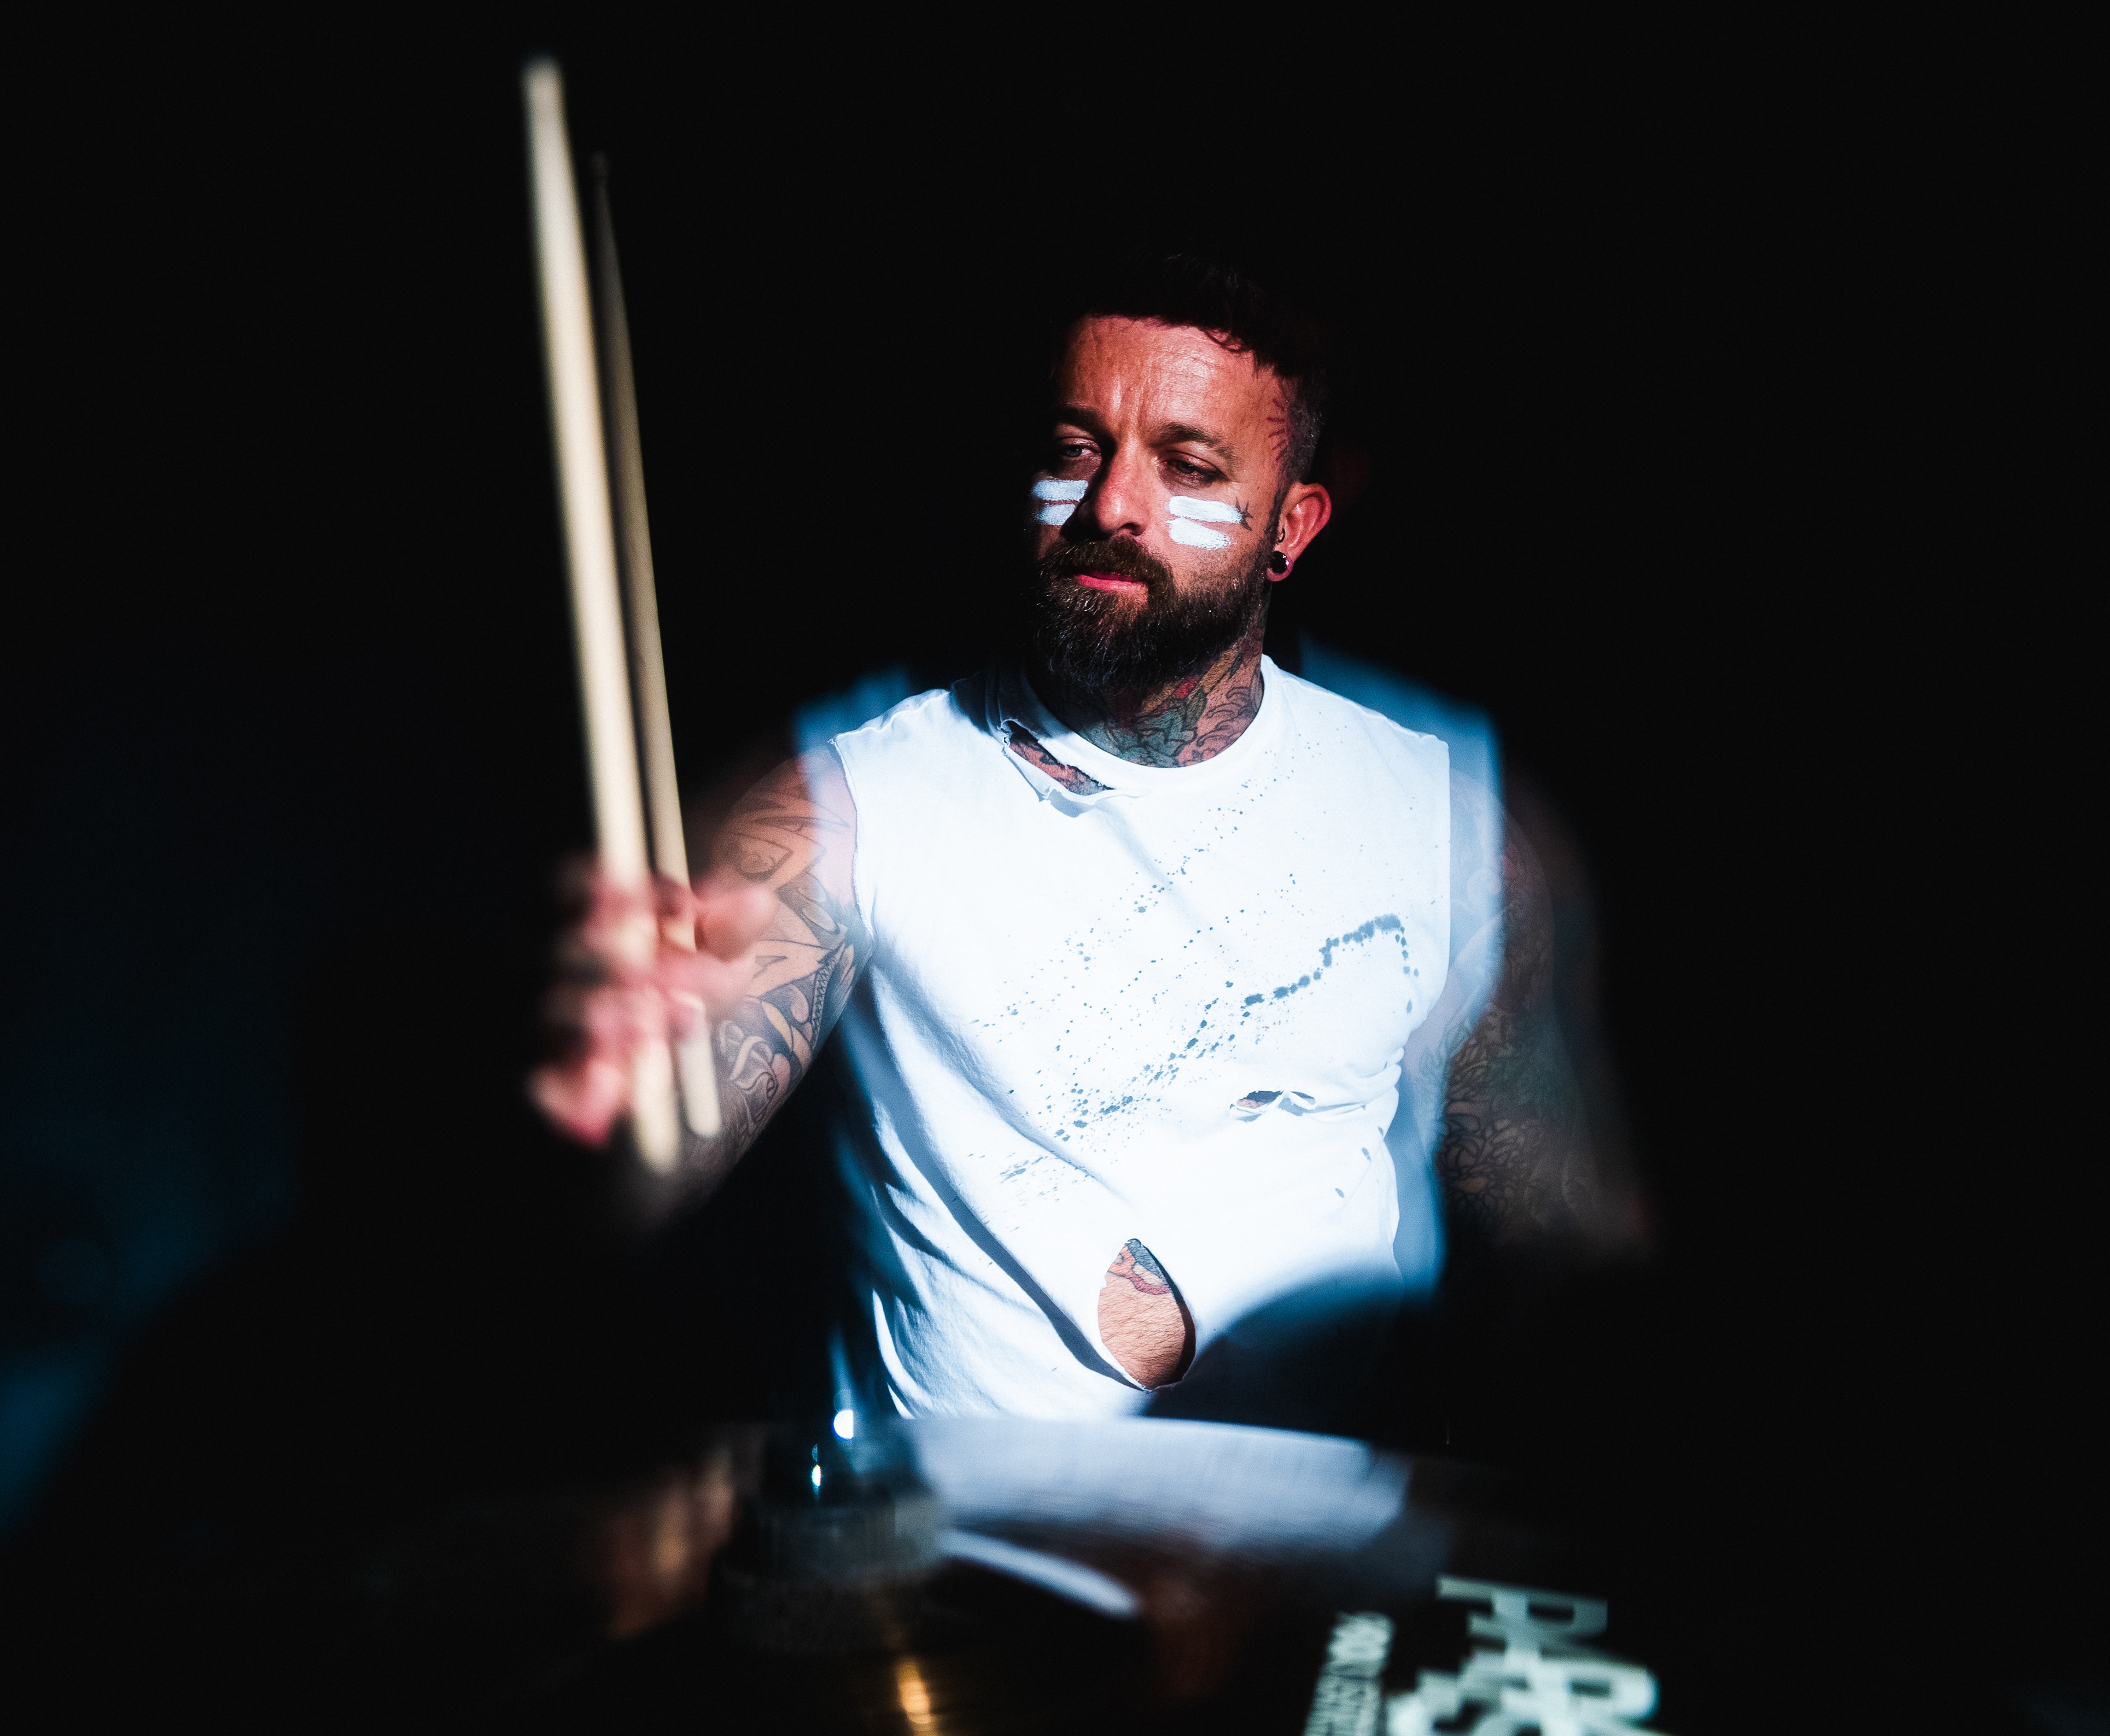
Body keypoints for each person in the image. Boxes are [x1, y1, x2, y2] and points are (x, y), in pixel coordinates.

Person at [534, 255, 1601, 1428]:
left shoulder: (1442, 826)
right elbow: (636, 1171)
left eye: (1188, 466)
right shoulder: (846, 810)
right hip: (959, 1533)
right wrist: (606, 1081)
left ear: (1291, 527)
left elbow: (1550, 1252)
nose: (1111, 506)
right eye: (1077, 449)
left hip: (1309, 1528)